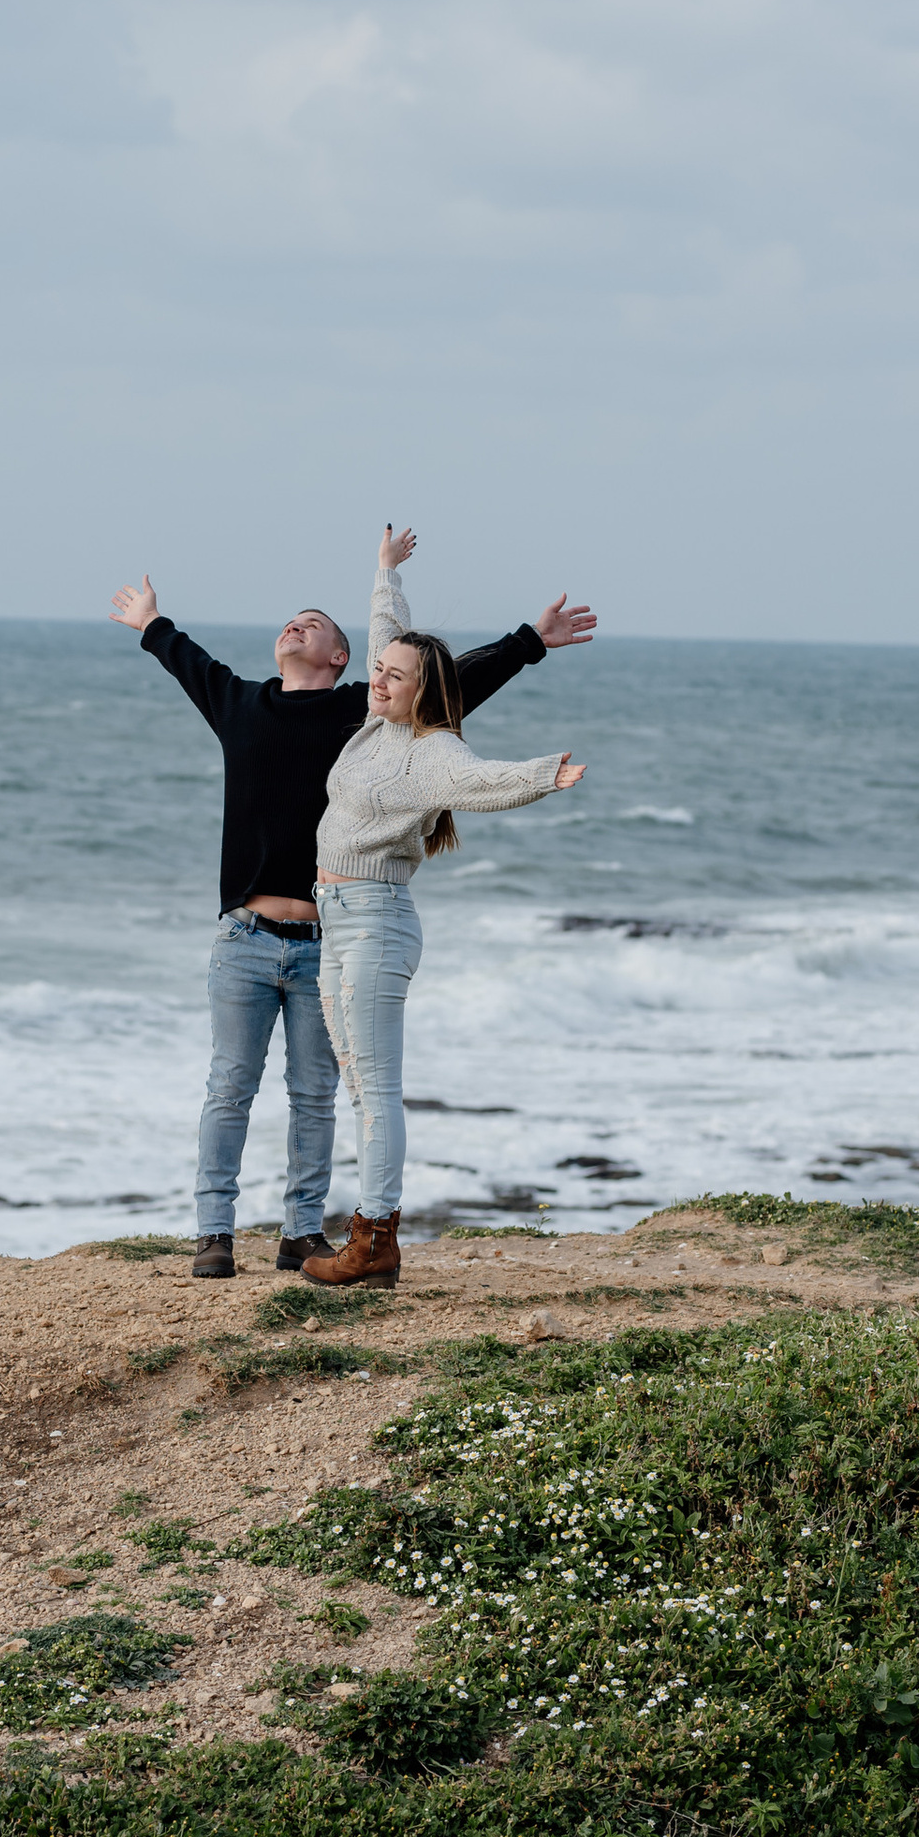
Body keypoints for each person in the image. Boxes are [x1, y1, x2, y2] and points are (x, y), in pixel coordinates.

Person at [110, 536, 594, 1279]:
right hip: (242, 938)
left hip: (327, 937)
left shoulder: (359, 719)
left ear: (342, 657)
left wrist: (530, 643)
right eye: (289, 623)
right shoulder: (240, 704)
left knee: (316, 1097)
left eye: (315, 624)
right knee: (228, 1089)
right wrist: (151, 623)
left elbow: (441, 686)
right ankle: (214, 1232)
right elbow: (189, 662)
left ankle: (303, 1233)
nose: (295, 627)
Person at [302, 529, 588, 1291]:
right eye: (380, 672)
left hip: (374, 922)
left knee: (375, 1087)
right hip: (335, 914)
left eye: (394, 677)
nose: (380, 679)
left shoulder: (431, 752)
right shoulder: (375, 726)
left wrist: (543, 776)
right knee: (358, 1084)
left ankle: (376, 1238)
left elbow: (482, 783)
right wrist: (385, 573)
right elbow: (385, 636)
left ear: (422, 691)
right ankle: (373, 1236)